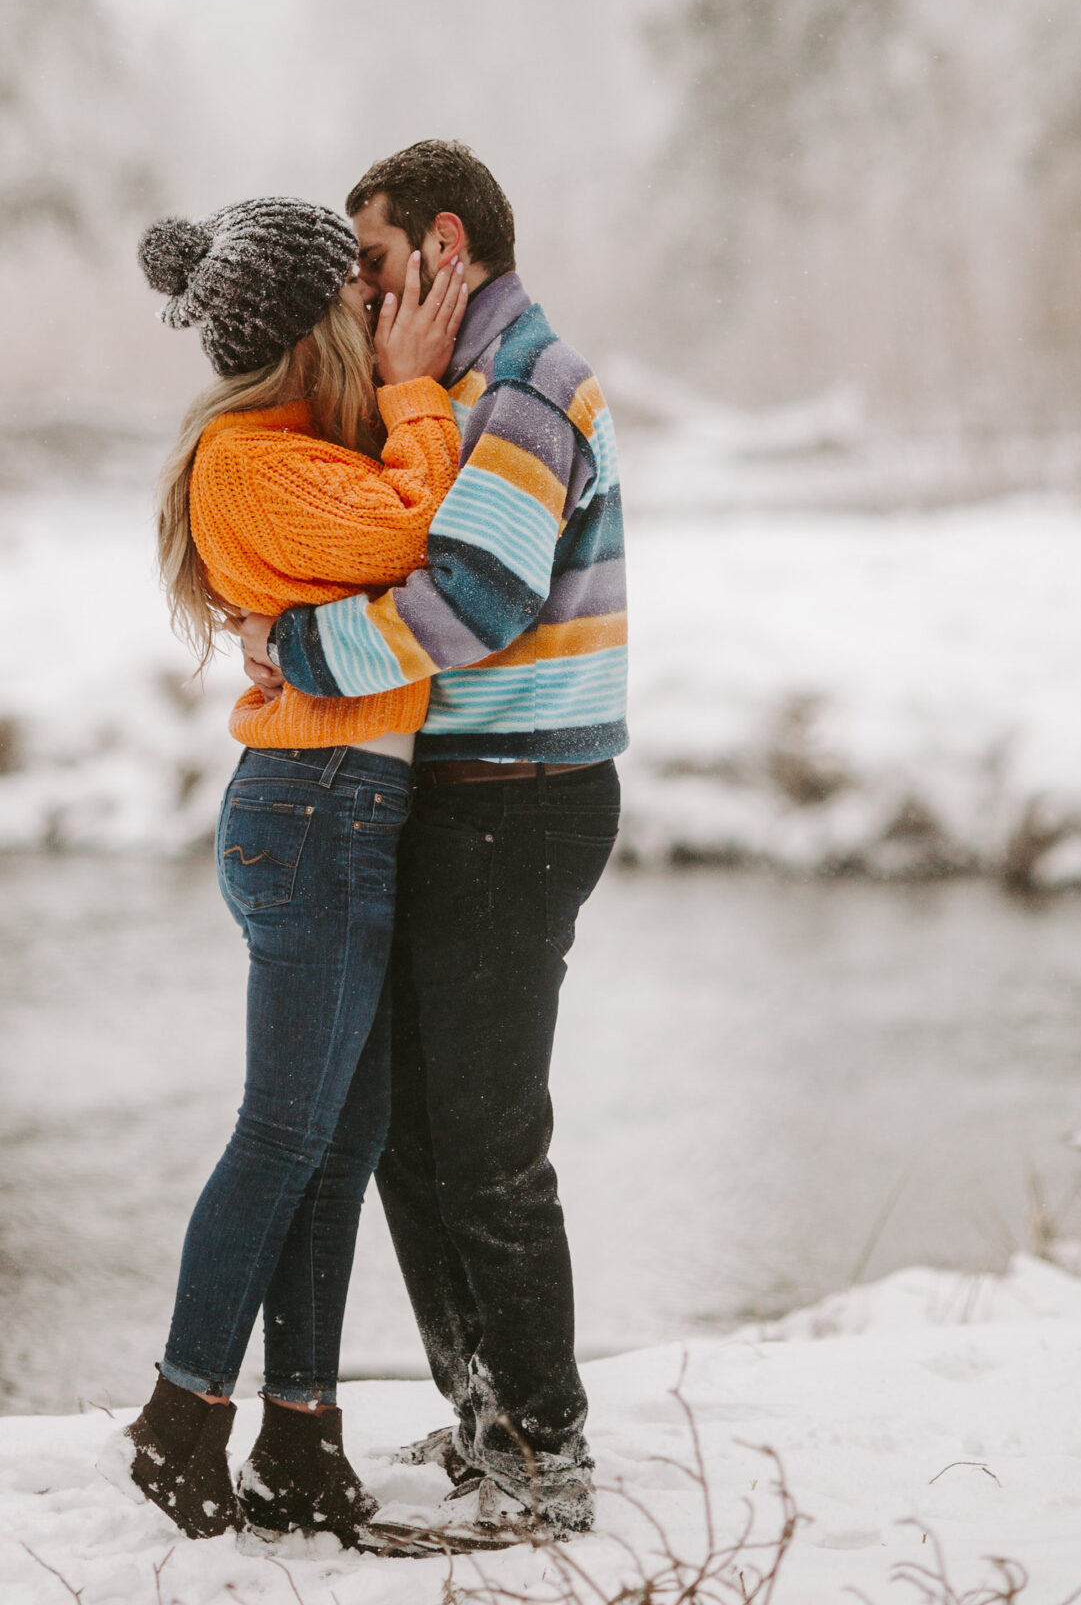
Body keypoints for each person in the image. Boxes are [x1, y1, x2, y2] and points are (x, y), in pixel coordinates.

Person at [238, 140, 626, 1539]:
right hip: (456, 791)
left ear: (446, 249)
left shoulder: (526, 383)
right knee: (404, 1122)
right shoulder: (445, 390)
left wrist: (304, 647)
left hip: (522, 797)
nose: (360, 291)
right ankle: (487, 1413)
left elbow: (478, 595)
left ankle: (545, 1451)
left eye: (377, 263)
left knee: (487, 1137)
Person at [112, 194, 468, 1547]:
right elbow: (423, 530)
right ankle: (180, 1412)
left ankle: (300, 1438)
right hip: (313, 817)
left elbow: (398, 524)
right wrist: (422, 388)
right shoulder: (255, 463)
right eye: (360, 304)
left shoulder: (295, 448)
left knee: (340, 1141)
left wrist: (402, 396)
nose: (379, 318)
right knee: (283, 1133)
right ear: (315, 326)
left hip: (342, 815)